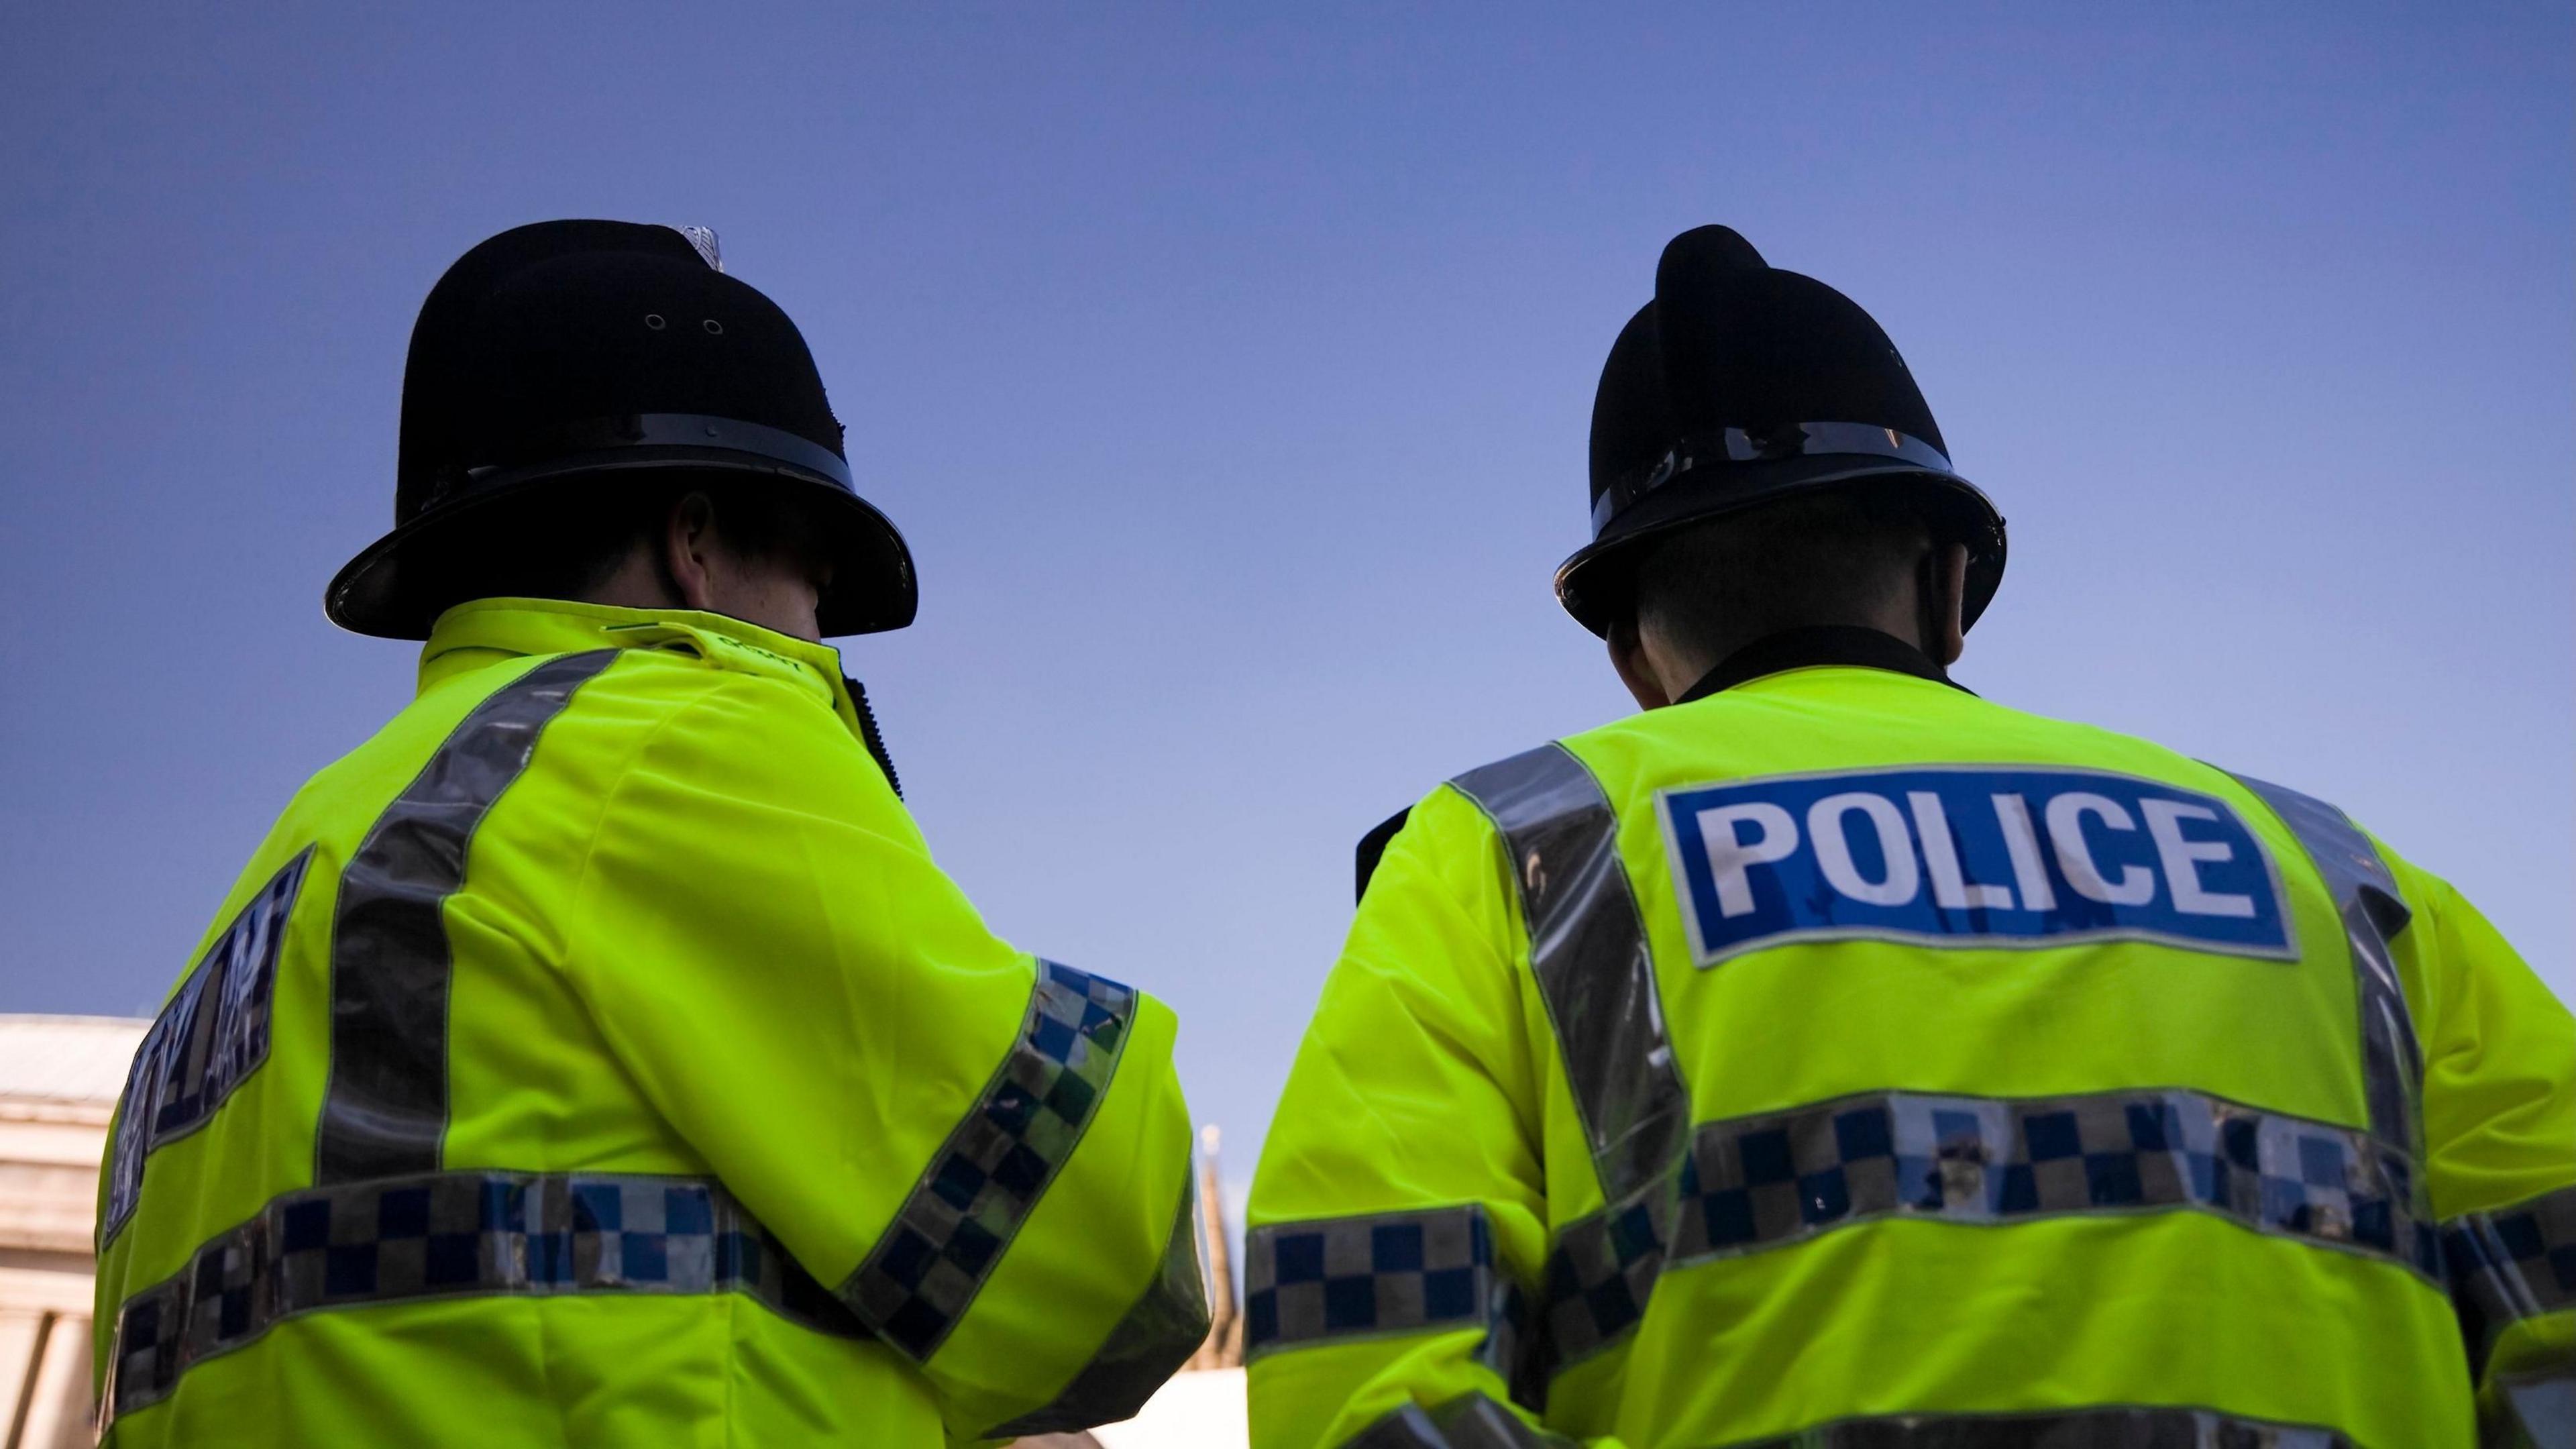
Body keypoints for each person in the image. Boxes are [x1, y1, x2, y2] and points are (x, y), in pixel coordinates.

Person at [1245, 225, 2572, 1449]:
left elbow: (1362, 1367)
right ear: (1949, 586)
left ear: (1635, 654)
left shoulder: (1510, 853)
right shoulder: (2337, 873)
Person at [92, 220, 1208, 1446]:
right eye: (815, 586)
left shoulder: (272, 905)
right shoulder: (660, 738)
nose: (820, 639)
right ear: (697, 545)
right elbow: (1102, 1254)